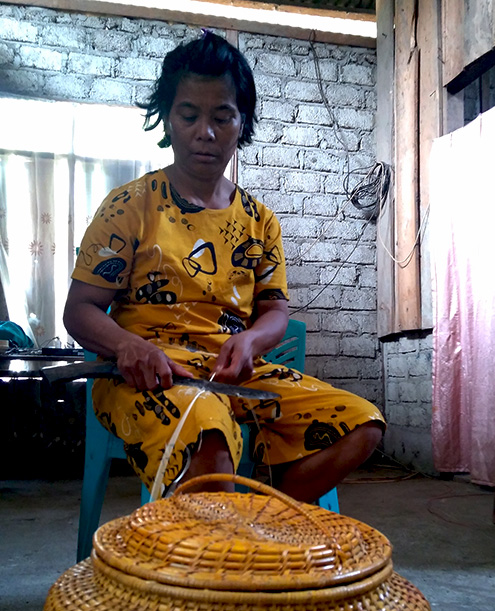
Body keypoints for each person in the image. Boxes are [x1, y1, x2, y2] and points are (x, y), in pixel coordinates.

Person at [64, 31, 385, 502]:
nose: (205, 132)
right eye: (189, 115)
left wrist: (251, 340)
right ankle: (222, 532)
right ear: (168, 119)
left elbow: (274, 311)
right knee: (208, 435)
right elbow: (79, 310)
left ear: (241, 123)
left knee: (361, 424)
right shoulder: (130, 205)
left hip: (235, 377)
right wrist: (128, 346)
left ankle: (255, 518)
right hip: (148, 377)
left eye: (222, 117)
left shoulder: (259, 221)